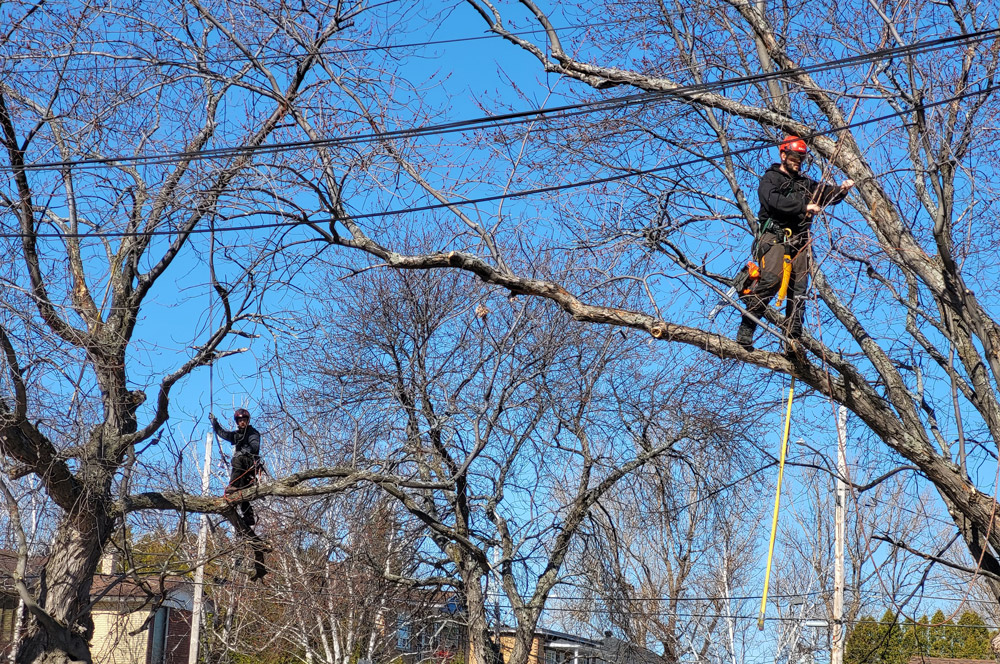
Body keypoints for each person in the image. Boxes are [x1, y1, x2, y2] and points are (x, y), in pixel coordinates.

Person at [735, 135, 855, 350]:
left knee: (798, 291)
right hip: (775, 238)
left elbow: (825, 193)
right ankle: (747, 327)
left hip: (799, 242)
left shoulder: (805, 184)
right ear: (783, 155)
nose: (797, 161)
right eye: (793, 157)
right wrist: (804, 207)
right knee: (771, 279)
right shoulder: (770, 179)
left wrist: (842, 190)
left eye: (800, 158)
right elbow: (772, 201)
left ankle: (792, 340)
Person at [210, 408, 262, 528]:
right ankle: (248, 517)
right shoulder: (237, 435)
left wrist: (244, 451)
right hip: (241, 468)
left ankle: (233, 485)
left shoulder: (252, 433)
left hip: (250, 464)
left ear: (248, 421)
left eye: (244, 420)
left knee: (237, 459)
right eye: (240, 420)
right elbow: (224, 434)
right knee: (241, 491)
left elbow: (254, 446)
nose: (242, 422)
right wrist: (215, 424)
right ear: (237, 422)